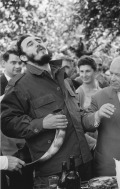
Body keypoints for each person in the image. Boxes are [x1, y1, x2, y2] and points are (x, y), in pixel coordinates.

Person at [1, 34, 96, 187]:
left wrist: (96, 117)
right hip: (54, 173)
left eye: (39, 40)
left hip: (84, 164)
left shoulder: (64, 78)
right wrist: (42, 123)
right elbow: (7, 123)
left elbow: (77, 114)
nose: (38, 44)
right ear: (24, 57)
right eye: (30, 44)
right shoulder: (19, 85)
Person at [1, 48, 33, 189]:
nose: (18, 66)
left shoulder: (27, 83)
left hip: (27, 145)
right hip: (5, 148)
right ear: (4, 63)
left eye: (20, 62)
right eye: (13, 62)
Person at [76, 56, 101, 152]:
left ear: (95, 71)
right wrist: (93, 144)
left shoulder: (101, 91)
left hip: (104, 139)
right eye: (81, 71)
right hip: (89, 144)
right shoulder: (78, 93)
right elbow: (76, 125)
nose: (84, 75)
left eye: (87, 71)